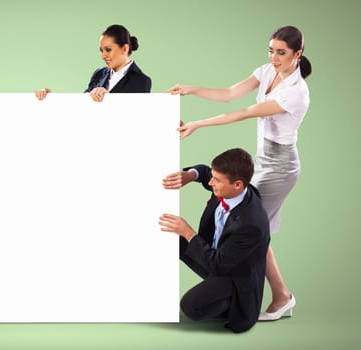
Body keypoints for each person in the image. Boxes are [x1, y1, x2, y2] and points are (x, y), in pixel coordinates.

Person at [166, 25, 310, 321]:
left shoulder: (297, 93)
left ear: (297, 54)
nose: (274, 57)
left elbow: (244, 112)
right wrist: (191, 89)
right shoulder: (268, 71)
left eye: (281, 53)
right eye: (271, 50)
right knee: (258, 233)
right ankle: (279, 295)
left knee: (253, 228)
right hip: (264, 158)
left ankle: (247, 292)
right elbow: (231, 93)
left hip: (280, 166)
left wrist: (197, 124)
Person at [159, 148, 270, 333]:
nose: (210, 183)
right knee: (169, 236)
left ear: (237, 185)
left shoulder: (251, 224)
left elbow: (217, 265)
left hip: (233, 276)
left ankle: (230, 304)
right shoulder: (234, 188)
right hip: (217, 255)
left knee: (190, 307)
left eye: (216, 180)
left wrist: (188, 232)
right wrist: (190, 175)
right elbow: (204, 172)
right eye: (213, 176)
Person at [35, 24, 151, 102]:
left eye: (108, 50)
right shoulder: (99, 74)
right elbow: (82, 105)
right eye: (101, 50)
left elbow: (134, 115)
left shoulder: (141, 80)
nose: (103, 56)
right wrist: (49, 99)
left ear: (124, 49)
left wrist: (107, 97)